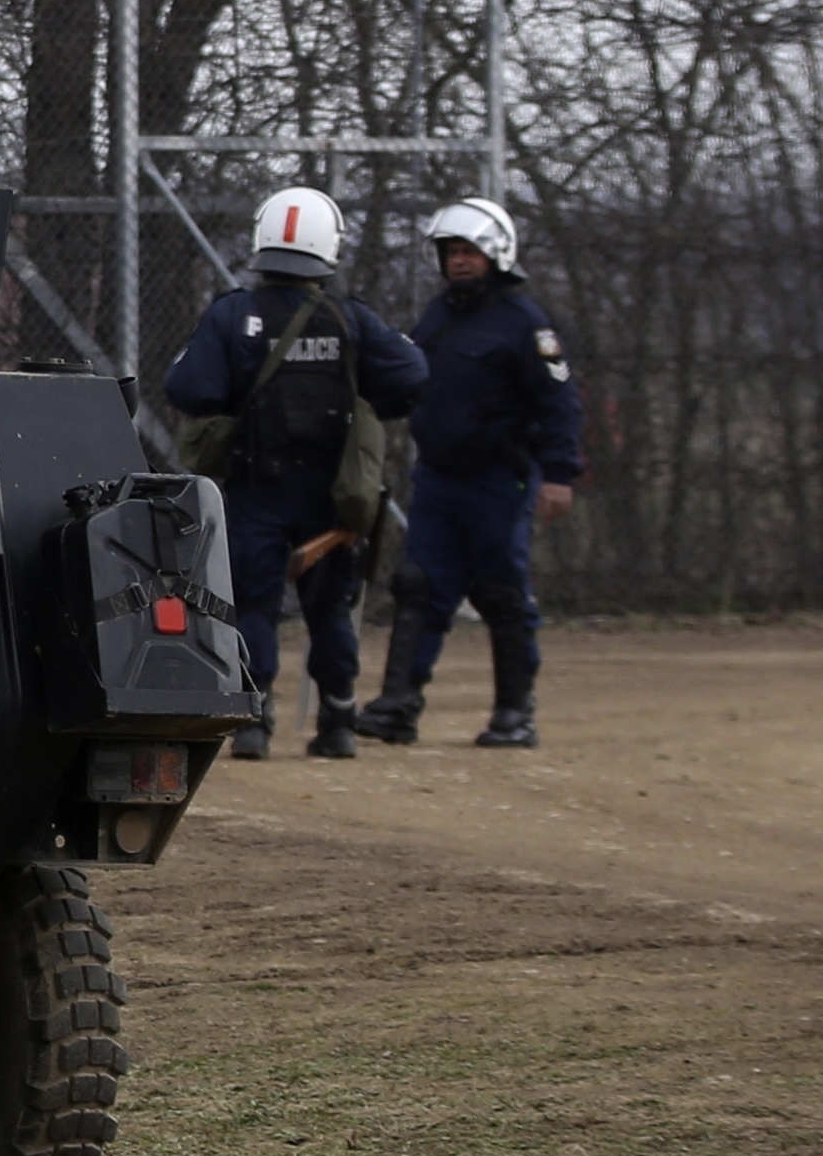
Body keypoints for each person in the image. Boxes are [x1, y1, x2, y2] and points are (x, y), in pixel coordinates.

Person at [159, 188, 425, 762]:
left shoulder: (233, 314)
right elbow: (410, 374)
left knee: (253, 605)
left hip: (258, 490)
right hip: (331, 496)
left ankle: (254, 722)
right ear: (328, 246)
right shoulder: (349, 318)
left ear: (261, 241)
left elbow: (189, 388)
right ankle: (338, 721)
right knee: (330, 611)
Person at [363, 196, 583, 751]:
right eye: (452, 252)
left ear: (497, 255)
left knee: (500, 591)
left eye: (471, 252)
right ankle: (397, 704)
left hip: (497, 480)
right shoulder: (438, 316)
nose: (460, 262)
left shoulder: (526, 324)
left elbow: (560, 402)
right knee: (418, 586)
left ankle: (514, 712)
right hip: (438, 479)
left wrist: (559, 473)